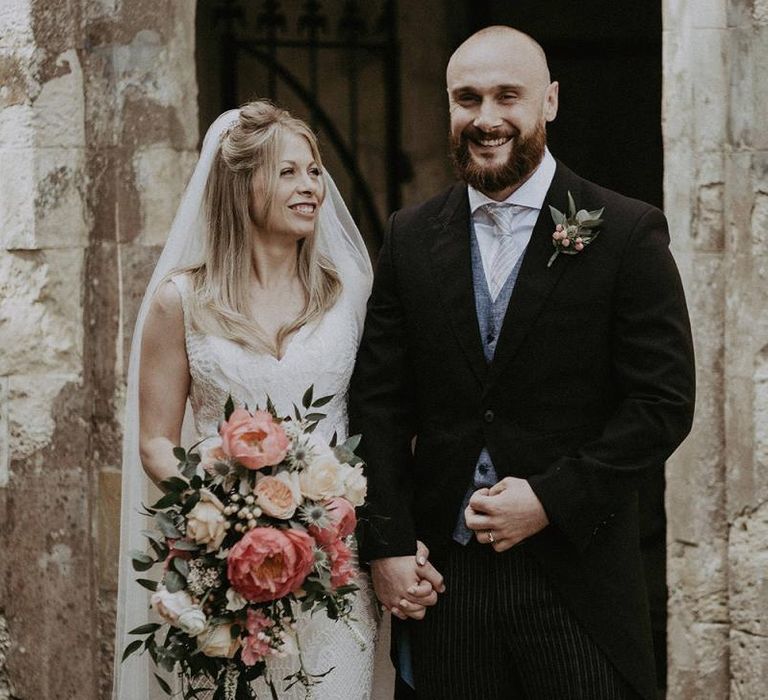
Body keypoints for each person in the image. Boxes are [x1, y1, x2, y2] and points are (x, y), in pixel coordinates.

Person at [350, 26, 695, 700]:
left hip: (579, 579)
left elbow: (663, 405)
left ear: (551, 101)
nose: (486, 119)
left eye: (508, 96)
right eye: (466, 98)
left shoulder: (624, 231)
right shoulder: (410, 238)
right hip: (447, 584)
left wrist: (549, 498)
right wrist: (385, 545)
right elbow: (380, 404)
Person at [113, 100, 401, 699]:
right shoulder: (181, 301)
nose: (310, 187)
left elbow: (386, 418)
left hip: (335, 570)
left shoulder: (351, 292)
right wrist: (224, 515)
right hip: (226, 571)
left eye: (315, 170)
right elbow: (155, 441)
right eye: (288, 171)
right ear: (240, 185)